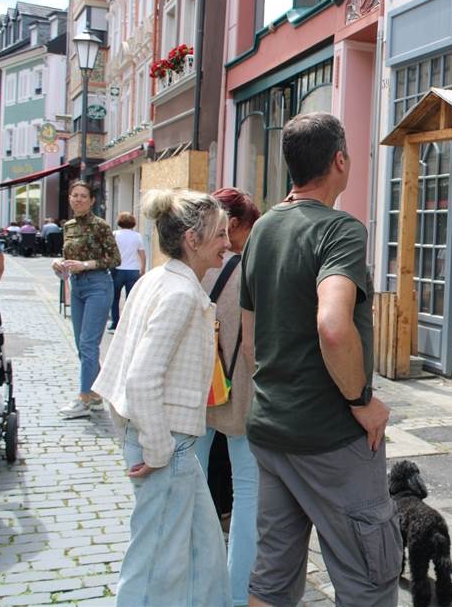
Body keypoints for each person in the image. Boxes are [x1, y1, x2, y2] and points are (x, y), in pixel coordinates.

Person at [240, 112, 401, 607]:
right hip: (330, 438)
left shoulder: (263, 227)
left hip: (272, 429)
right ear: (339, 161)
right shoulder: (340, 230)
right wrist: (361, 400)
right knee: (369, 580)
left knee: (272, 577)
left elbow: (251, 341)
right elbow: (333, 326)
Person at [91, 189, 232, 607]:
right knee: (155, 566)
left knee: (204, 554)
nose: (227, 242)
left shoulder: (159, 279)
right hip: (166, 444)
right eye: (220, 234)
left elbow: (117, 369)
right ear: (193, 239)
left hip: (169, 444)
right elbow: (139, 377)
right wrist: (154, 449)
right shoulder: (179, 293)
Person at [194, 187, 261, 606]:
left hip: (195, 395)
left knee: (193, 490)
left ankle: (196, 585)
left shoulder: (190, 267)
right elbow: (255, 346)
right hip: (240, 396)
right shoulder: (251, 271)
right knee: (248, 495)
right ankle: (237, 596)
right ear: (233, 226)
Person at [53, 181, 120, 419]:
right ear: (70, 198)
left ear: (92, 200)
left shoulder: (100, 225)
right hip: (77, 285)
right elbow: (68, 257)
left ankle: (83, 399)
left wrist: (86, 265)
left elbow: (115, 258)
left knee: (89, 345)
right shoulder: (68, 226)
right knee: (83, 347)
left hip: (98, 285)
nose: (78, 199)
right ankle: (97, 394)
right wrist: (59, 265)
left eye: (83, 196)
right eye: (75, 195)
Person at [108, 212, 145, 332]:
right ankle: (129, 323)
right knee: (131, 298)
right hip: (133, 270)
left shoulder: (114, 234)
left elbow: (110, 252)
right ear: (132, 223)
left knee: (115, 298)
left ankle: (115, 322)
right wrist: (143, 268)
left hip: (117, 269)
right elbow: (142, 254)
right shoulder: (137, 236)